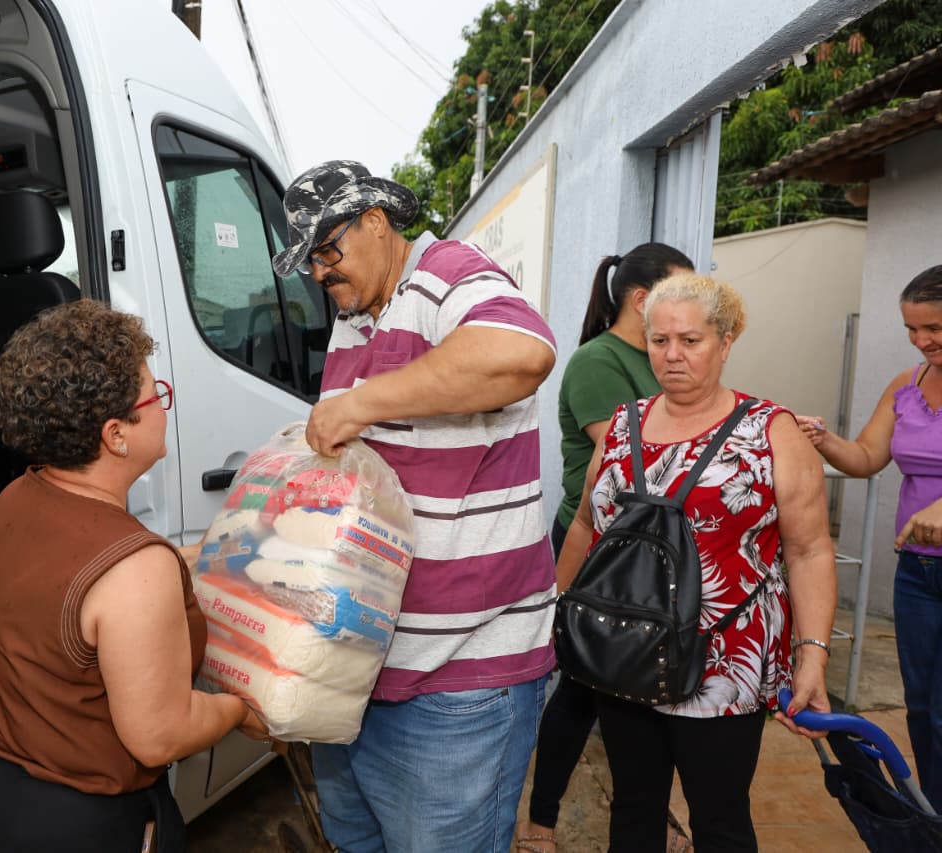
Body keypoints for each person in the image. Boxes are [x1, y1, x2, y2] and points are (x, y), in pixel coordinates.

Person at [272, 160, 558, 852]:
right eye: (309, 261)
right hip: (360, 670)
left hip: (456, 683)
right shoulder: (355, 315)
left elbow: (521, 353)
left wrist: (362, 403)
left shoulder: (446, 274)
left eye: (328, 250)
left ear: (375, 222)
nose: (320, 272)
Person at [0, 300, 266, 852]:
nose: (165, 407)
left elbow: (77, 585)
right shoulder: (135, 569)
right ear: (116, 434)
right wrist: (241, 709)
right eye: (155, 395)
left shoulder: (14, 499)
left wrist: (205, 553)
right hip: (75, 825)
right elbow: (160, 736)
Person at [557, 273, 836, 852]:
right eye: (659, 341)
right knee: (634, 809)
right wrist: (558, 618)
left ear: (726, 342)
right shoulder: (623, 426)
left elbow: (809, 550)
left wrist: (812, 655)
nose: (672, 355)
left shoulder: (771, 432)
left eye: (690, 340)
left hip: (725, 663)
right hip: (625, 653)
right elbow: (585, 525)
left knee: (720, 820)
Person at [520, 243, 695, 853]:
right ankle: (541, 820)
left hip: (656, 550)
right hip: (598, 548)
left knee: (644, 689)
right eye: (680, 292)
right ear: (642, 300)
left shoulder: (659, 357)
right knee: (582, 689)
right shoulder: (598, 361)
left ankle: (645, 813)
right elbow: (636, 462)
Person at [797, 265, 942, 810]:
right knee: (921, 709)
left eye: (934, 328)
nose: (921, 341)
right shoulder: (908, 383)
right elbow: (865, 458)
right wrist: (822, 439)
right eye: (912, 329)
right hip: (918, 572)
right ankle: (931, 817)